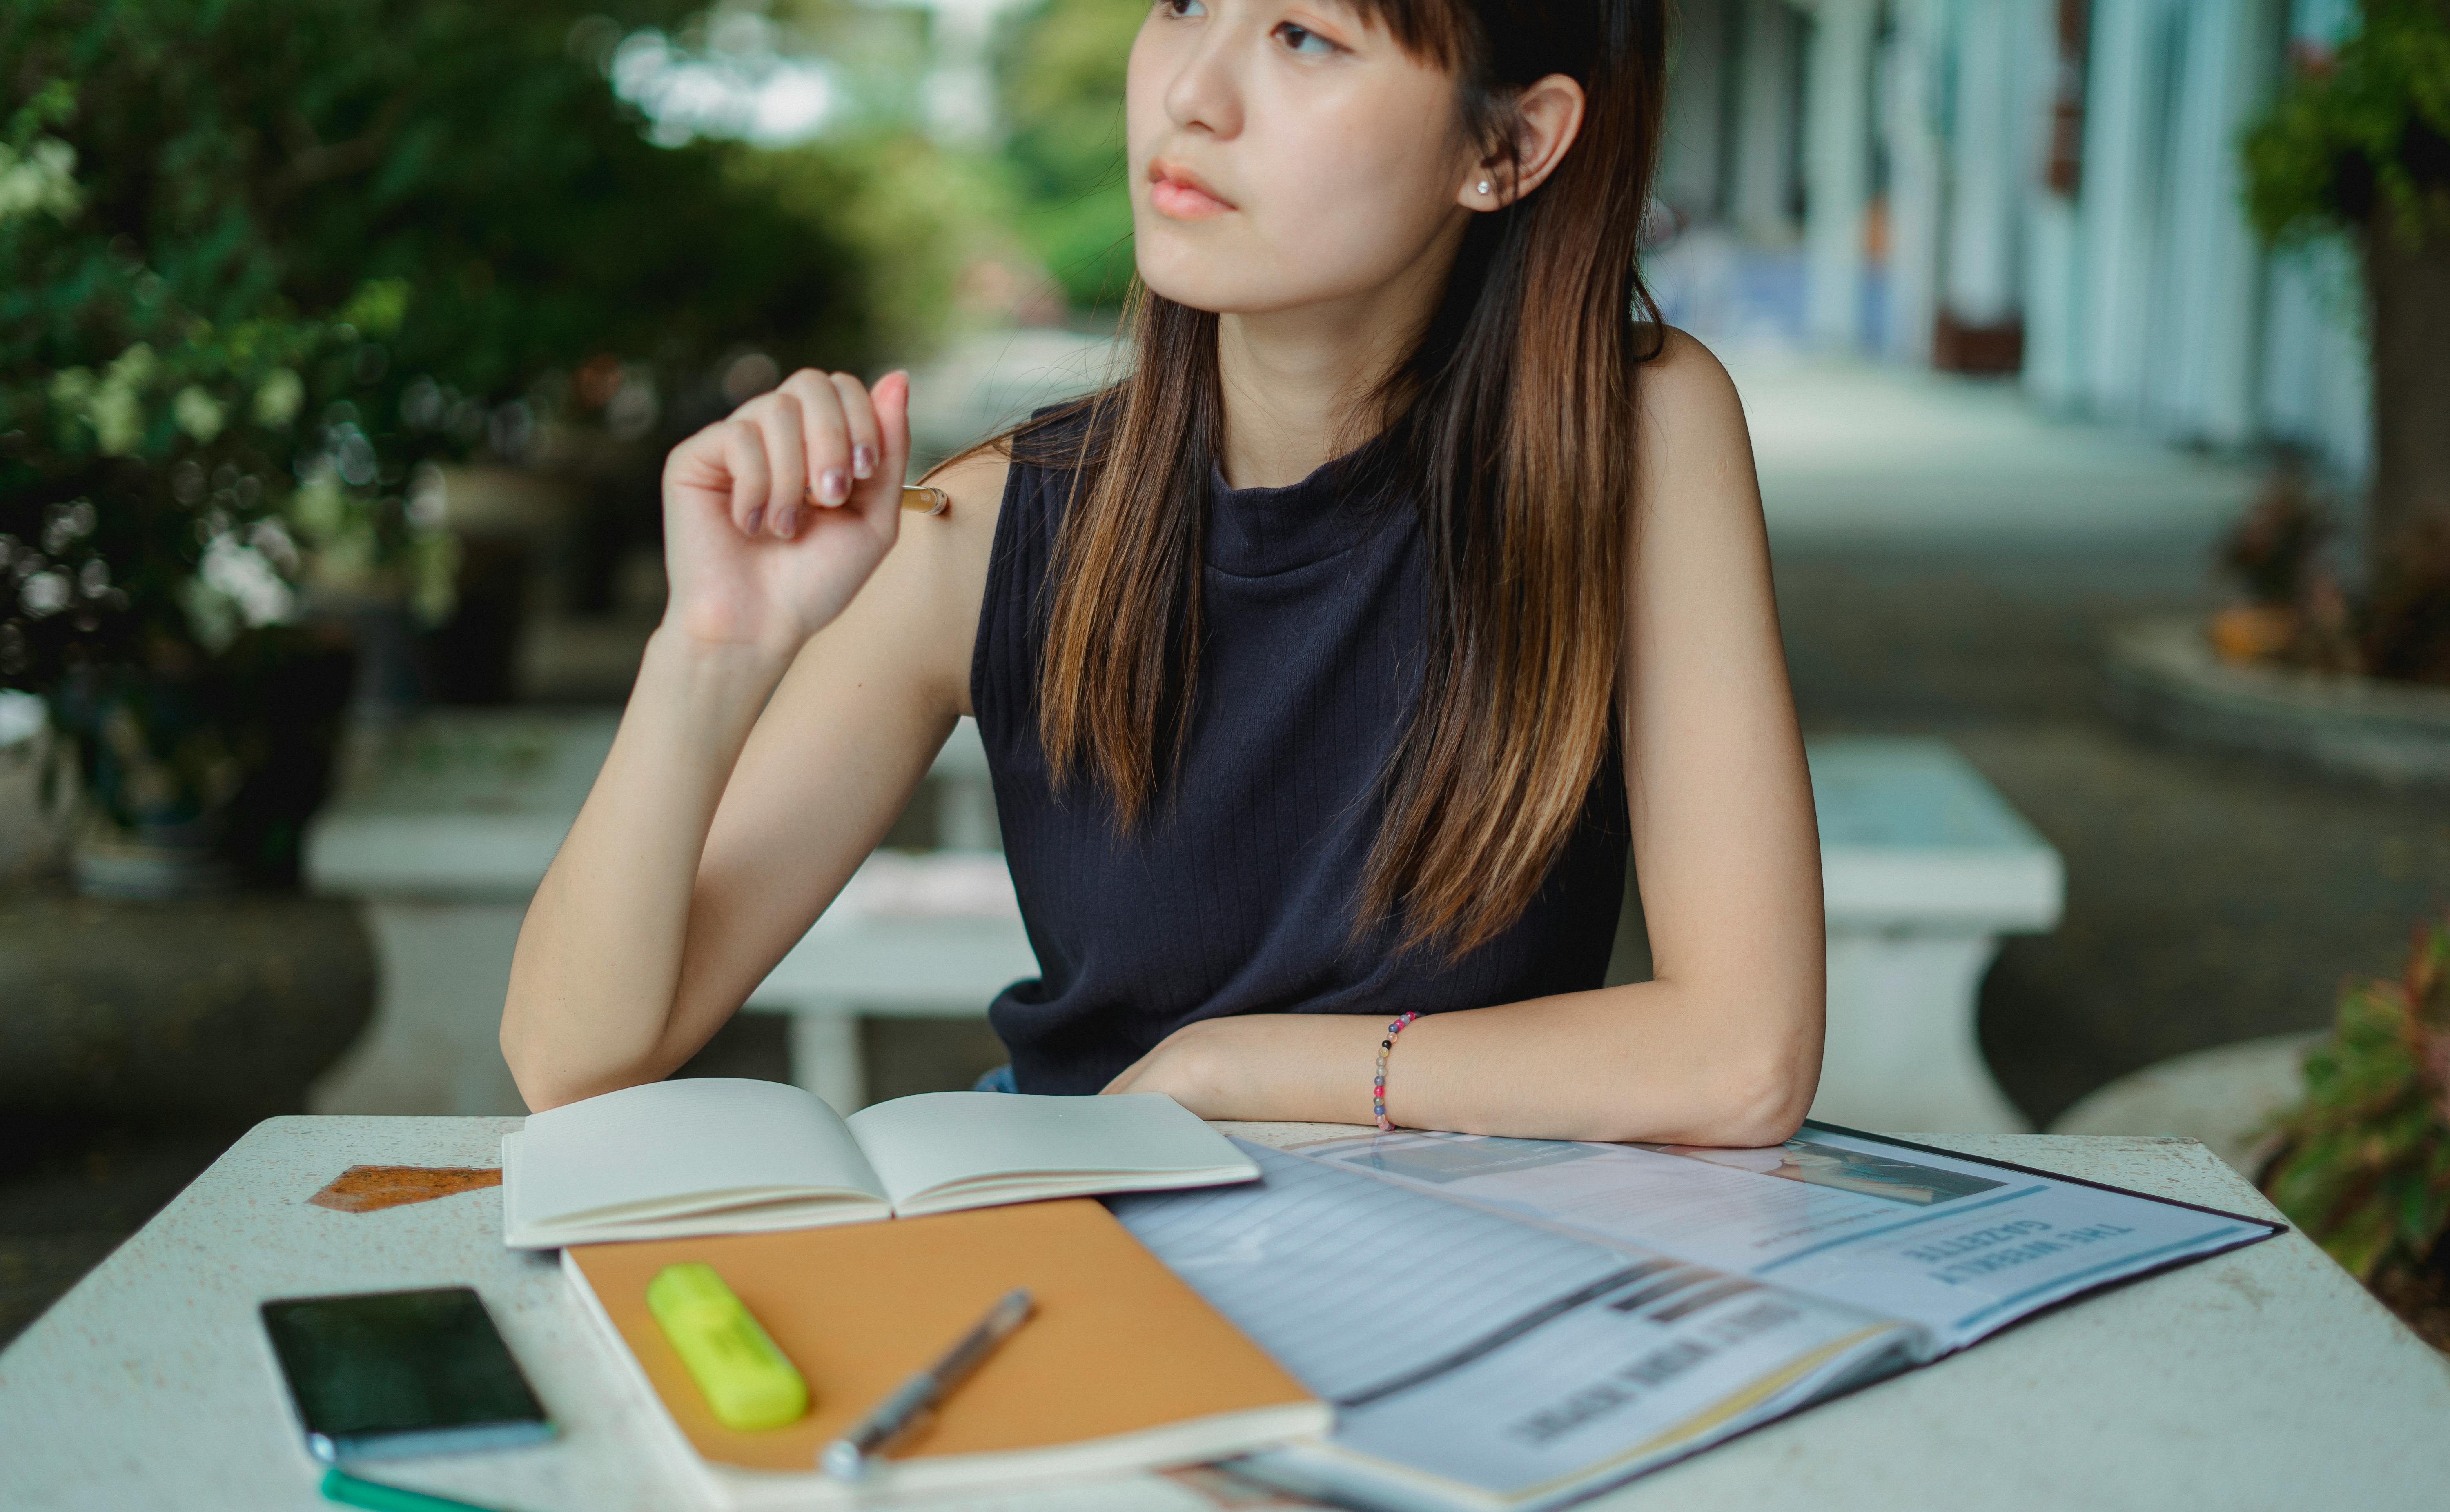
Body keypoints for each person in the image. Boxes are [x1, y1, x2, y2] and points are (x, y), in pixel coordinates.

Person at [501, 0, 1825, 1146]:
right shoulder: (988, 525)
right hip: (1095, 1244)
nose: (1191, 95)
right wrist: (713, 650)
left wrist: (1236, 1067)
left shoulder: (1635, 440)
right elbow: (574, 1060)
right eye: (1185, 3)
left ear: (1508, 145)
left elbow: (1742, 1057)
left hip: (1471, 1287)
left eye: (1305, 35)